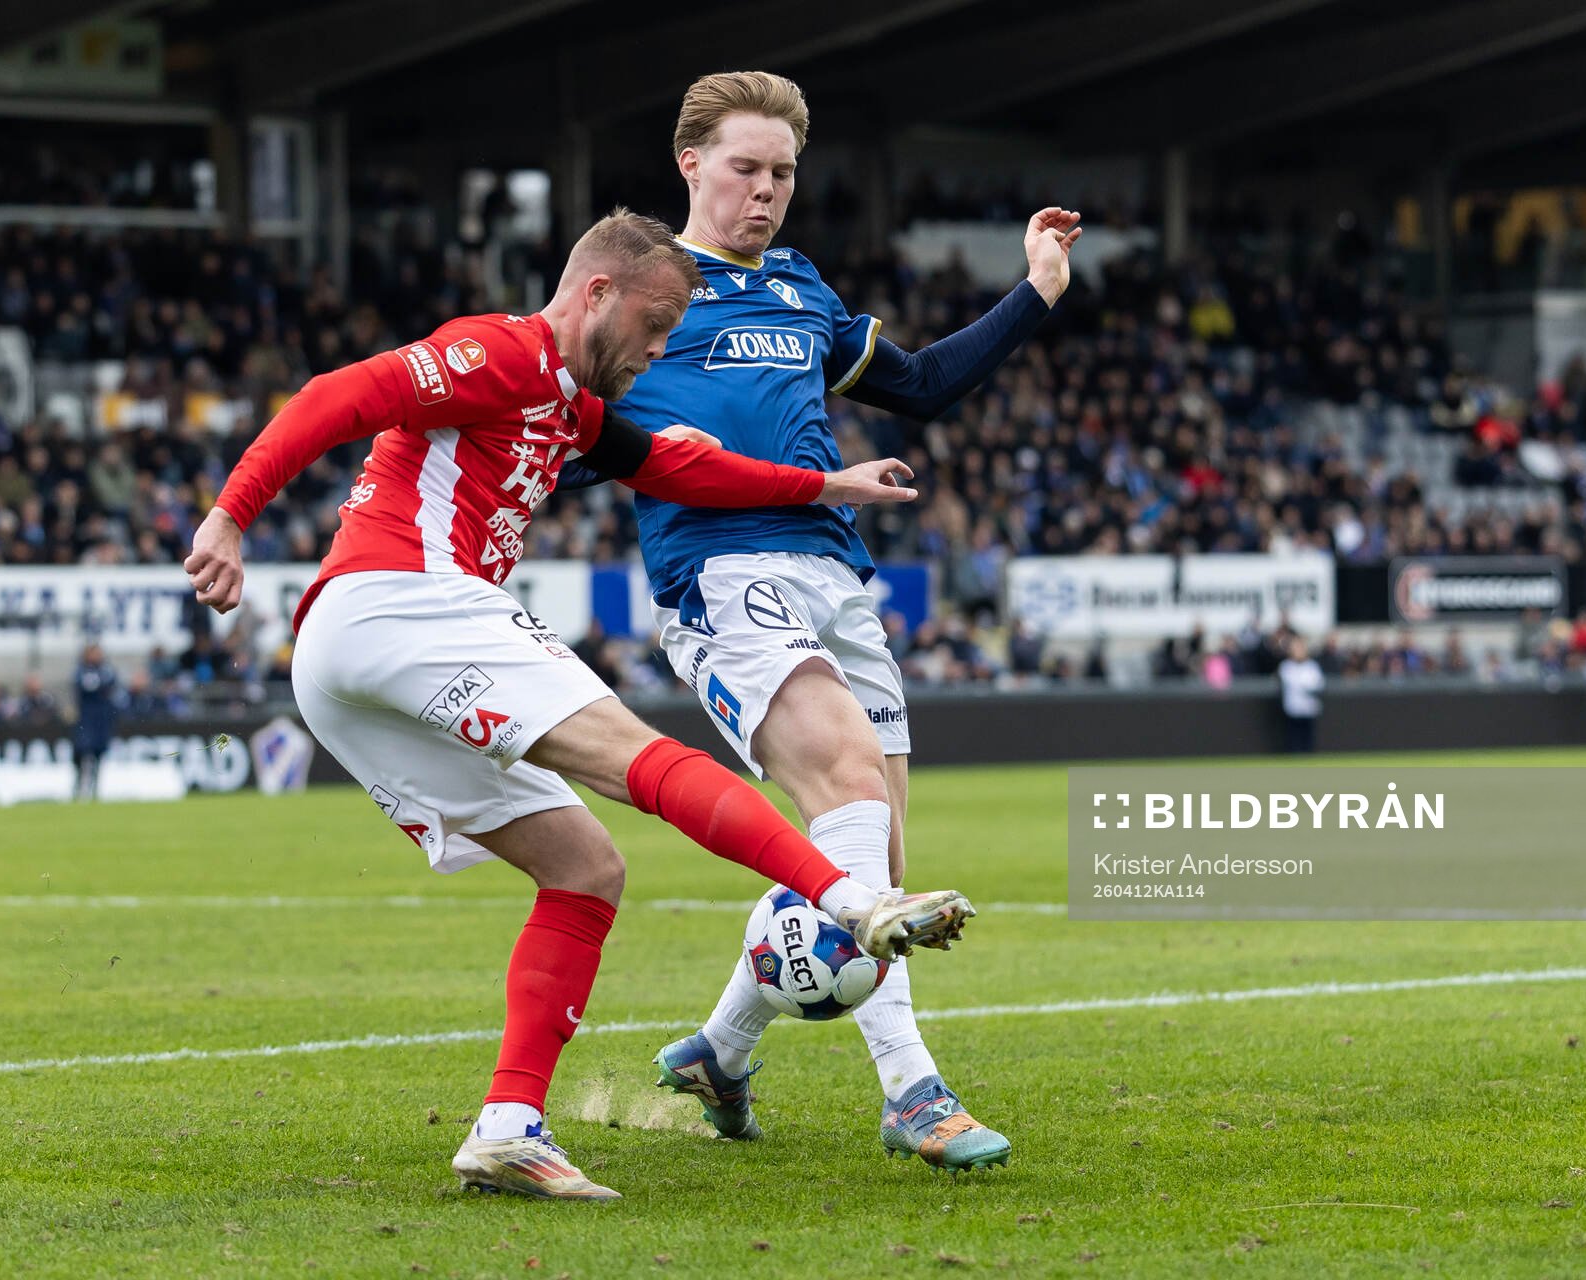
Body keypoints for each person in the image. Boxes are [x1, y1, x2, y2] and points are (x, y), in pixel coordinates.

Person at [183, 209, 976, 1202]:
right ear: (597, 293)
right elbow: (338, 395)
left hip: (353, 659)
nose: (660, 349)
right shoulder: (500, 352)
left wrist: (826, 484)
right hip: (404, 596)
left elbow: (679, 464)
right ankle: (853, 901)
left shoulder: (572, 406)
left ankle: (508, 1127)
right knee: (633, 755)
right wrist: (231, 515)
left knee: (585, 868)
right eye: (655, 325)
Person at [597, 71, 1077, 1172]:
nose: (766, 191)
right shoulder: (642, 291)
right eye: (745, 168)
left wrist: (1038, 290)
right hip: (721, 576)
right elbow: (572, 430)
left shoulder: (800, 287)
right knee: (854, 798)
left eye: (782, 172)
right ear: (691, 165)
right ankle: (913, 1092)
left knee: (872, 870)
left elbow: (923, 385)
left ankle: (721, 1050)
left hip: (835, 578)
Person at [72, 642, 119, 798]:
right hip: (86, 718)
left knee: (99, 752)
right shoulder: (81, 671)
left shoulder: (106, 670)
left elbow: (112, 685)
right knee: (84, 752)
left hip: (102, 718)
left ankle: (95, 788)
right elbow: (85, 686)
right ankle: (80, 787)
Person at [1276, 635, 1324, 754]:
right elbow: (1292, 683)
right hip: (1293, 708)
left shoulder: (1312, 665)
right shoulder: (1286, 666)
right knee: (1293, 739)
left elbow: (1318, 684)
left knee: (1308, 739)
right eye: (1295, 648)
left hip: (1309, 708)